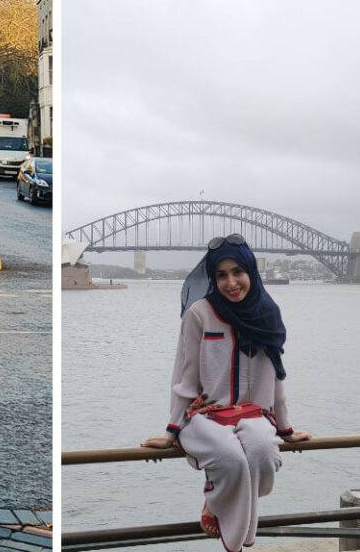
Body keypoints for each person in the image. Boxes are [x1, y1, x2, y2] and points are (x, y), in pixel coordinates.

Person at [141, 234, 311, 552]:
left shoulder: (268, 314)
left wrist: (285, 428)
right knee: (230, 458)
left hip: (253, 412)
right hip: (204, 414)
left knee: (262, 453)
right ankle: (234, 538)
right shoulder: (199, 315)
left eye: (238, 272)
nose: (231, 282)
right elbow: (183, 376)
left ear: (251, 272)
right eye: (221, 275)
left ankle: (216, 504)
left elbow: (276, 376)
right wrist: (171, 430)